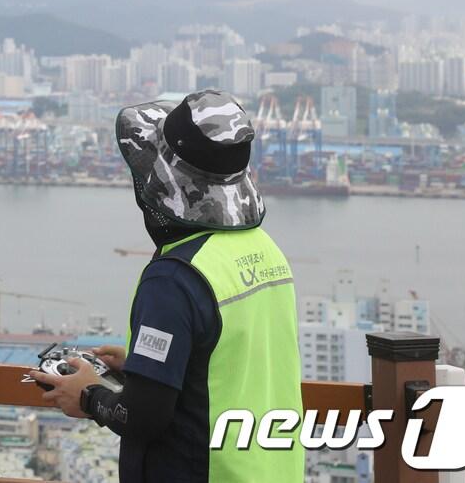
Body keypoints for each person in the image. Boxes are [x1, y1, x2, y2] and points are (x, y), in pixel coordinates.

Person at [29, 89, 303, 482]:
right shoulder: (266, 251)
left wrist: (89, 396)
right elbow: (234, 358)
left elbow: (143, 418)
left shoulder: (174, 279)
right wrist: (148, 366)